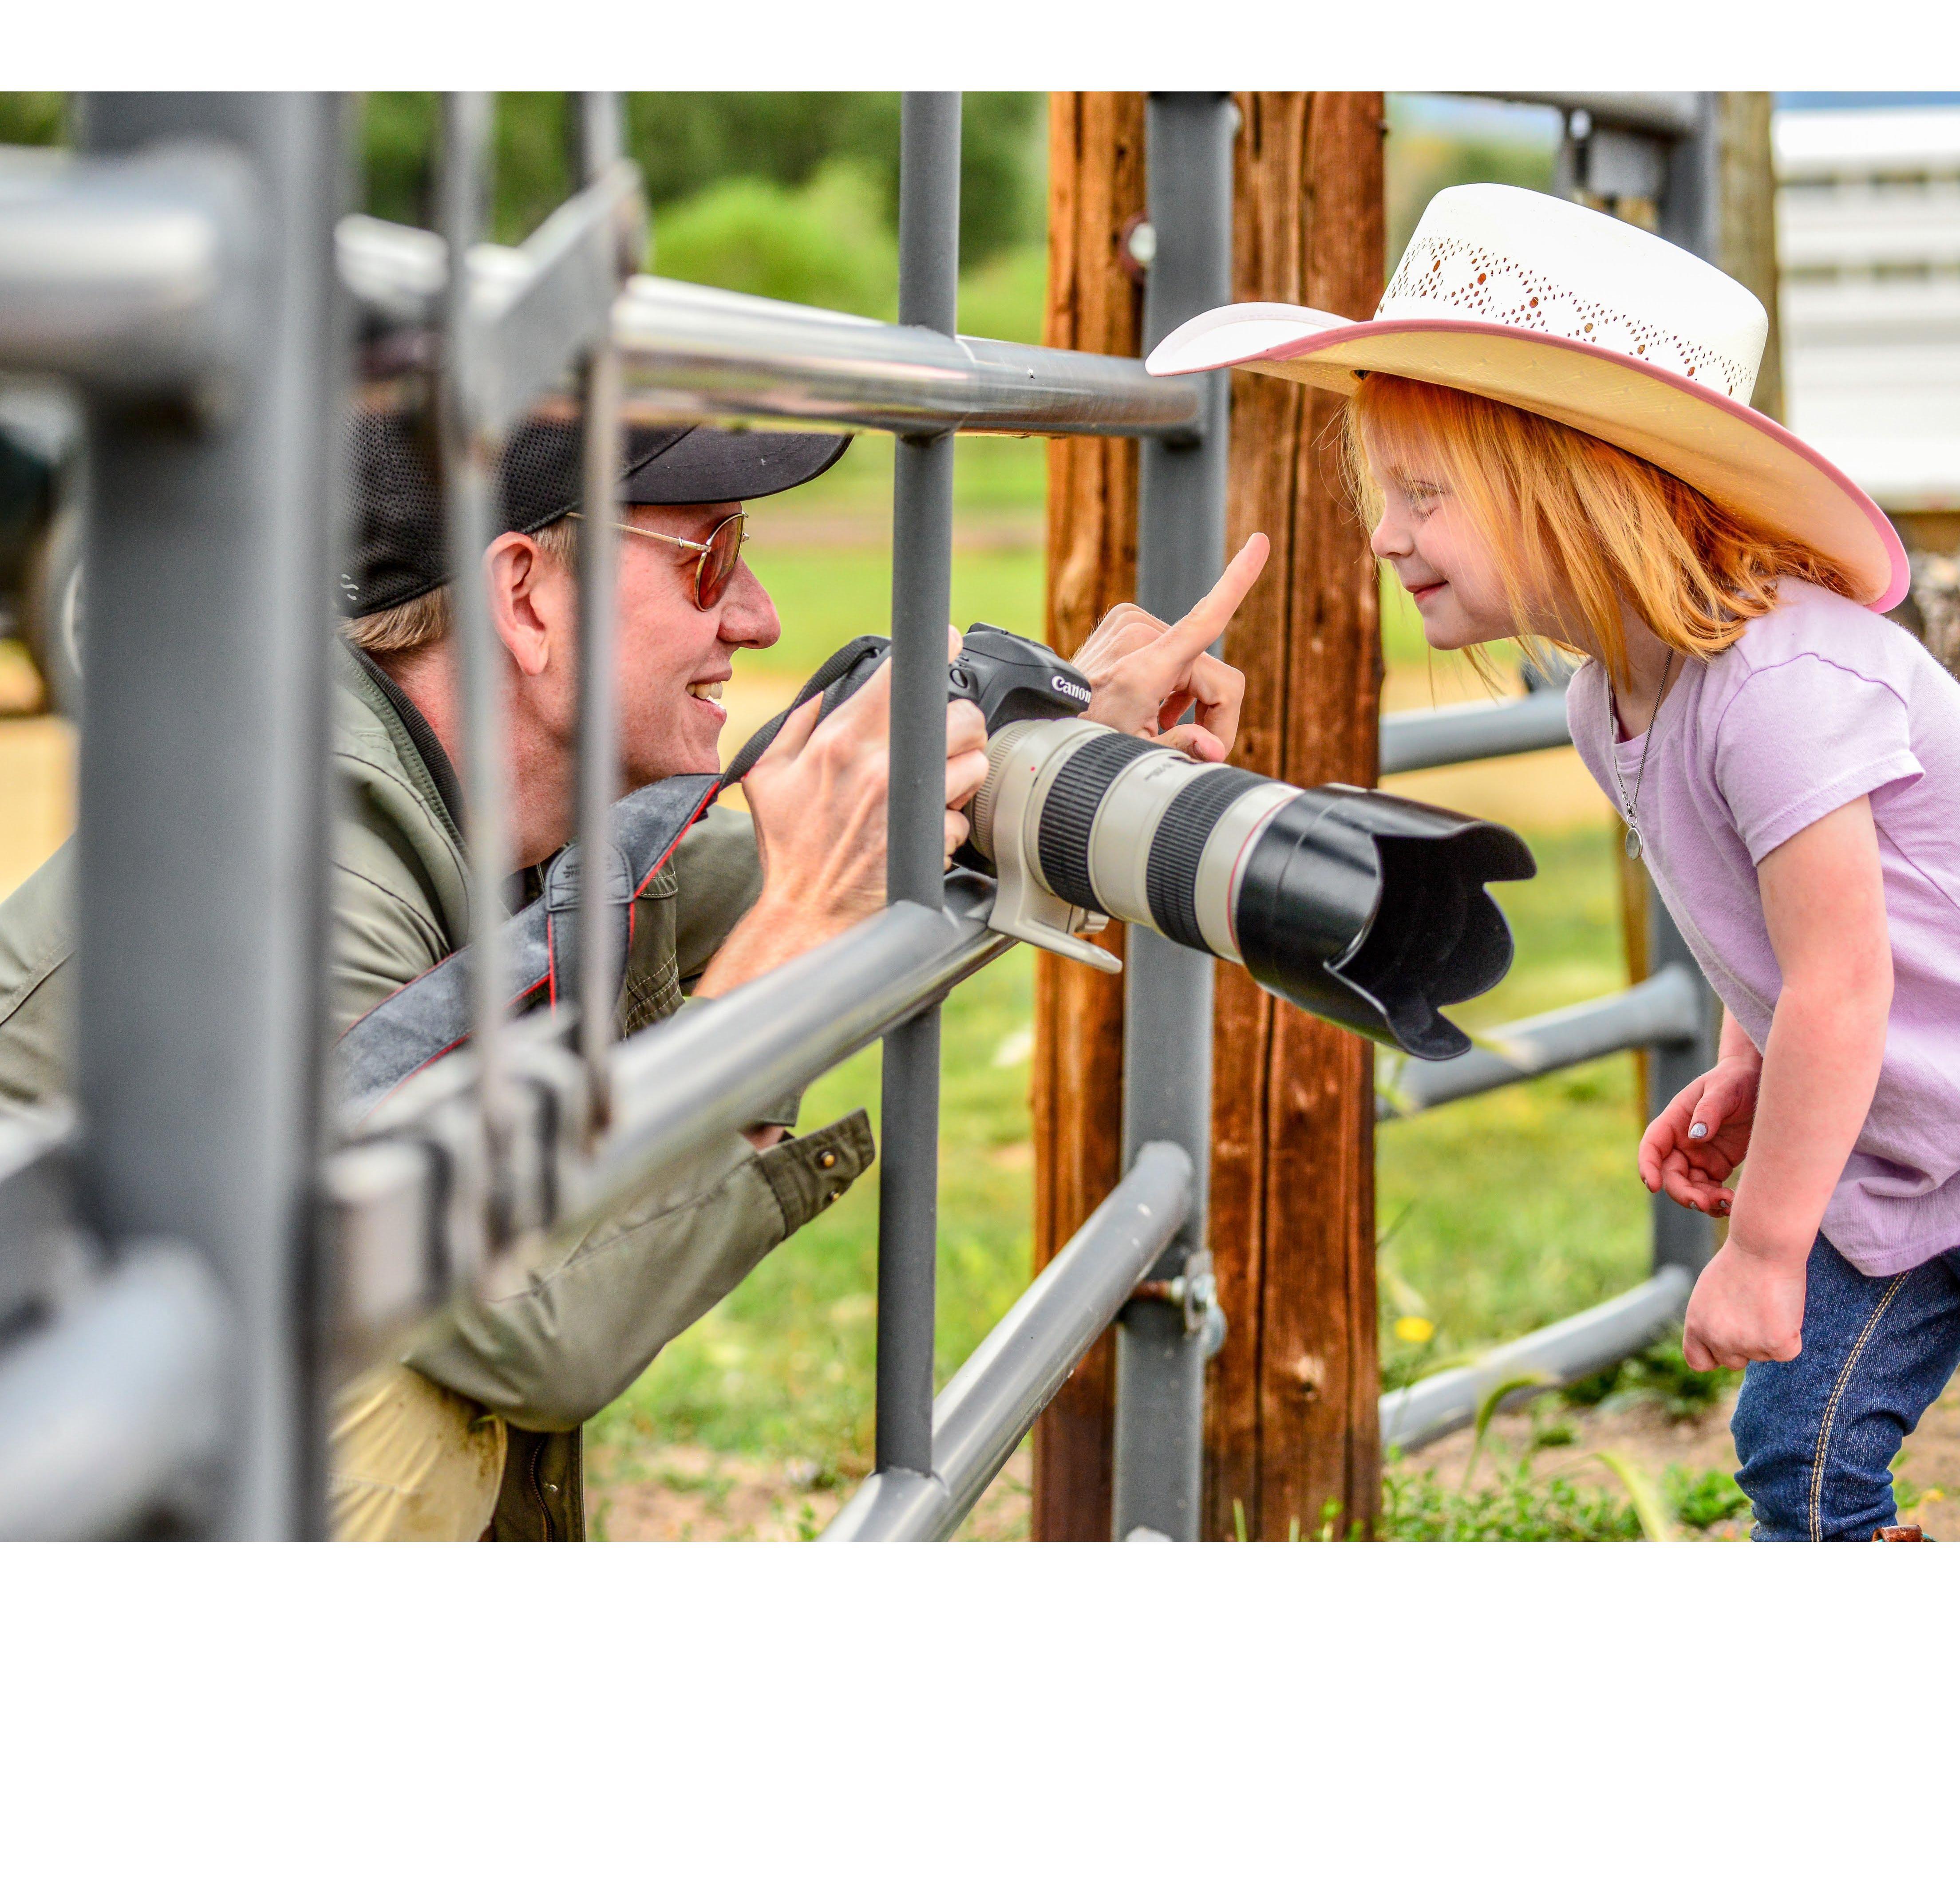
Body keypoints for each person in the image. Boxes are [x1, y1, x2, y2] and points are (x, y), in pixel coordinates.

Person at [0, 402, 1269, 1538]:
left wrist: (1050, 742)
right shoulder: (286, 870)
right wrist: (798, 947)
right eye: (711, 554)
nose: (761, 618)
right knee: (398, 1414)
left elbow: (745, 876)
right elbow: (527, 1324)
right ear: (526, 598)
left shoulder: (482, 813)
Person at [1146, 182, 1960, 1541]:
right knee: (1797, 1458)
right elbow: (1788, 947)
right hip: (1899, 1144)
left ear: (1580, 486)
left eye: (1425, 494)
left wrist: (1760, 1246)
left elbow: (1844, 982)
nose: (1386, 534)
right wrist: (1754, 1065)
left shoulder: (1786, 680)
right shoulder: (1607, 703)